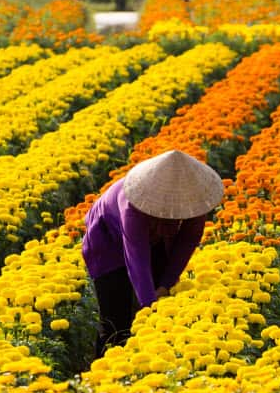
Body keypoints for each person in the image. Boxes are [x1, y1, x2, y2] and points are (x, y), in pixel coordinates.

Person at [82, 151, 224, 358]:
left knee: (162, 296)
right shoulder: (132, 206)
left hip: (153, 238)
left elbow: (187, 241)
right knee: (115, 317)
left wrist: (165, 284)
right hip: (107, 240)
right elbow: (136, 257)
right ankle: (103, 373)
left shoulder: (194, 201)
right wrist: (150, 306)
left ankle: (151, 360)